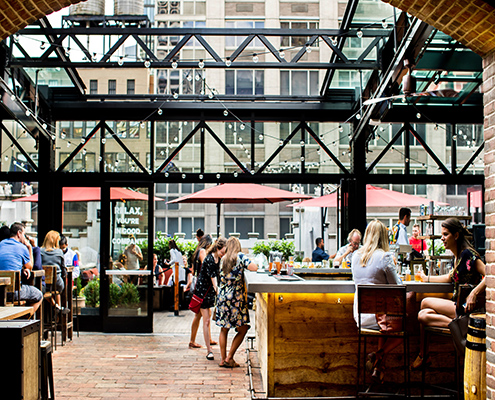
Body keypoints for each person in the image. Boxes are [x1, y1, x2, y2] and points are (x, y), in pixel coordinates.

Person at [412, 218, 485, 369]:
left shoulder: (468, 255)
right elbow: (449, 277)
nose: (442, 238)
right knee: (422, 315)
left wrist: (474, 293)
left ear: (456, 235)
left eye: (445, 234)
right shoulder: (457, 256)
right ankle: (454, 328)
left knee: (424, 303)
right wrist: (427, 278)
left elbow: (491, 274)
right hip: (457, 307)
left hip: (466, 310)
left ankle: (423, 354)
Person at [351, 220, 403, 383]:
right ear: (384, 237)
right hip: (378, 317)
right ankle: (378, 355)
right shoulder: (385, 257)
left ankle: (378, 367)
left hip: (360, 316)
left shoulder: (355, 256)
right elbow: (397, 287)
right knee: (407, 325)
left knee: (384, 323)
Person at [215, 237, 258, 368]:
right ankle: (229, 358)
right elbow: (254, 267)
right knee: (243, 328)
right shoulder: (240, 256)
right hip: (236, 299)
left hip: (222, 298)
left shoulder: (223, 259)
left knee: (224, 329)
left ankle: (223, 359)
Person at [193, 236, 227, 361]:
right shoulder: (209, 259)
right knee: (206, 321)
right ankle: (209, 350)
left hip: (209, 292)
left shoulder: (218, 258)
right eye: (222, 252)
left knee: (206, 319)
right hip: (203, 292)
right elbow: (214, 279)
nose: (223, 255)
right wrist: (219, 292)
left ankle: (208, 345)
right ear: (217, 248)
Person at [0, 222, 43, 315]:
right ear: (19, 233)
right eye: (24, 234)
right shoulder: (22, 247)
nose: (25, 237)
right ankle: (23, 321)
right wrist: (29, 247)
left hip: (0, 290)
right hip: (13, 292)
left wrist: (22, 268)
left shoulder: (1, 244)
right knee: (39, 295)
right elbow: (30, 266)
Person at [187, 234, 213, 349]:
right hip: (202, 288)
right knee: (201, 315)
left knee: (201, 314)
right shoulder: (202, 252)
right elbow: (207, 265)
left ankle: (207, 339)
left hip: (201, 286)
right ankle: (193, 341)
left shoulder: (198, 251)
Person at [41, 230, 69, 313]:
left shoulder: (40, 251)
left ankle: (56, 306)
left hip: (44, 284)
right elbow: (64, 271)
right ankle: (58, 311)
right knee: (57, 290)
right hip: (57, 284)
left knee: (45, 291)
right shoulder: (59, 252)